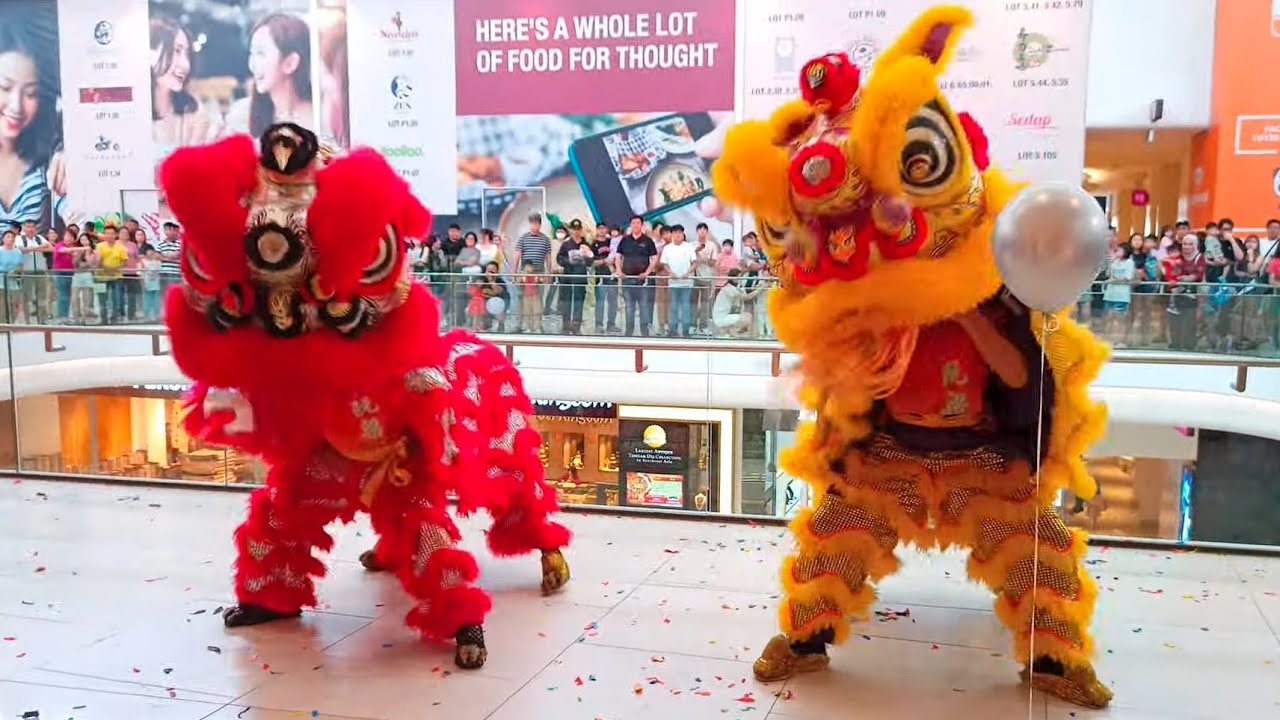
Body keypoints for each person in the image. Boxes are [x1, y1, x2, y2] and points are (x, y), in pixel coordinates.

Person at [0, 20, 63, 231]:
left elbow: (73, 210)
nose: (16, 106)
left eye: (30, 93)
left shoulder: (47, 152)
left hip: (32, 262)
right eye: (5, 87)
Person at [226, 13, 313, 139]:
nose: (252, 65)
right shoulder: (242, 115)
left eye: (261, 53)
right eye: (252, 53)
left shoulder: (320, 118)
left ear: (290, 63)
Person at [151, 14, 216, 151]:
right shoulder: (131, 110)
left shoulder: (193, 109)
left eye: (187, 54)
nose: (185, 65)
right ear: (150, 53)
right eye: (177, 51)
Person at [613, 214, 657, 337]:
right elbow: (618, 256)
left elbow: (654, 258)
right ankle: (629, 331)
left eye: (638, 223)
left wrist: (647, 273)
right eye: (633, 223)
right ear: (630, 225)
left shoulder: (648, 241)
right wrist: (619, 271)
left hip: (642, 280)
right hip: (627, 279)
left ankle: (644, 331)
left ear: (641, 225)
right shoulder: (625, 240)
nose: (635, 225)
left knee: (644, 307)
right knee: (629, 307)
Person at [1165, 232, 1204, 350]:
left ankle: (1188, 346)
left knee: (1189, 320)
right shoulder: (1177, 257)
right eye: (1185, 244)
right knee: (1174, 319)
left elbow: (1198, 274)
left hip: (1192, 294)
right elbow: (1172, 272)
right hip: (1176, 292)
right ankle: (1175, 344)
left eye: (1190, 244)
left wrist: (1187, 278)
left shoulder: (1199, 257)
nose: (1186, 246)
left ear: (1195, 245)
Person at [661, 224, 697, 337]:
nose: (677, 235)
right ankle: (673, 330)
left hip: (686, 283)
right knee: (673, 306)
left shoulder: (689, 246)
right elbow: (664, 264)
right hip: (673, 283)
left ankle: (686, 331)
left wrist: (688, 272)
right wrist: (670, 272)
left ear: (683, 234)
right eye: (675, 232)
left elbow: (695, 263)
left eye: (680, 233)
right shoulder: (667, 248)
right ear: (672, 234)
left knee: (686, 306)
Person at [556, 219, 590, 334]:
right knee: (566, 302)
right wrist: (569, 260)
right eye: (574, 229)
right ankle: (565, 326)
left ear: (581, 230)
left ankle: (576, 326)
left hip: (580, 277)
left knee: (578, 302)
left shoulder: (586, 244)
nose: (576, 232)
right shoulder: (566, 244)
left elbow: (591, 260)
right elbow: (559, 259)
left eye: (578, 229)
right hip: (568, 277)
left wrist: (585, 257)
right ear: (570, 230)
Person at [711, 269, 763, 336]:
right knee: (746, 319)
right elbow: (746, 297)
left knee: (748, 315)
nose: (739, 279)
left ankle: (730, 332)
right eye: (738, 277)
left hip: (728, 315)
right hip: (721, 317)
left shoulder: (736, 287)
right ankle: (730, 332)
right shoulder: (728, 288)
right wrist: (760, 289)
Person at [95, 223, 129, 324]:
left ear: (116, 235)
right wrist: (106, 268)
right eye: (107, 233)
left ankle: (114, 318)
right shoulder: (99, 246)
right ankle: (103, 319)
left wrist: (114, 269)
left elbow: (124, 261)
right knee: (102, 300)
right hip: (101, 277)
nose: (109, 236)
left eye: (111, 233)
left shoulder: (120, 247)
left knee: (116, 299)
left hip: (116, 277)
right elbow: (98, 260)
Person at [1103, 243, 1135, 346]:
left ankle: (1120, 340)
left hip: (1121, 295)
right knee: (1108, 317)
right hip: (1110, 294)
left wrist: (1114, 280)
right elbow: (1108, 274)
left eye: (1119, 250)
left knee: (1120, 318)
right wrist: (1110, 262)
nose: (1117, 252)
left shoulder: (1129, 262)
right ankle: (1109, 340)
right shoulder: (1115, 262)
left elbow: (1127, 277)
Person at [590, 222, 617, 333]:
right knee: (600, 302)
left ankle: (611, 324)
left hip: (612, 276)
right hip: (600, 277)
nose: (601, 230)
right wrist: (604, 261)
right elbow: (591, 262)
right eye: (599, 228)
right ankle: (599, 324)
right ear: (596, 230)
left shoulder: (612, 242)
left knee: (613, 302)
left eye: (603, 228)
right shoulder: (593, 244)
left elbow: (618, 257)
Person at [52, 226, 84, 320]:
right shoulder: (59, 245)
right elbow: (63, 250)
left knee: (68, 295)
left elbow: (75, 262)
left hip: (71, 273)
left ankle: (66, 315)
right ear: (63, 236)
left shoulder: (74, 248)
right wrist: (82, 249)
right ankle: (62, 316)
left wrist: (79, 254)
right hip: (60, 273)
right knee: (63, 295)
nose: (69, 238)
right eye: (67, 236)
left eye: (71, 236)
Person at [692, 222, 718, 334]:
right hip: (694, 277)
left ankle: (704, 326)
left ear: (707, 232)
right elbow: (688, 261)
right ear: (697, 231)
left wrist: (703, 258)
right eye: (700, 229)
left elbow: (713, 262)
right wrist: (695, 252)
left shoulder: (712, 245)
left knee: (705, 303)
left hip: (707, 277)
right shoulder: (692, 245)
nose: (702, 231)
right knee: (693, 302)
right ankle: (692, 325)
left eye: (704, 229)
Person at [69, 232, 96, 322]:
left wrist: (87, 252)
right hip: (77, 275)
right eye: (82, 239)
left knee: (86, 298)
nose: (84, 241)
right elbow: (75, 264)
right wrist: (81, 252)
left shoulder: (93, 251)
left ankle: (84, 319)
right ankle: (76, 318)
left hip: (87, 275)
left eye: (85, 239)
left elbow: (90, 264)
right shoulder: (77, 250)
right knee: (74, 298)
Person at [0, 228, 24, 321]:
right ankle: (2, 324)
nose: (10, 239)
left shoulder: (17, 252)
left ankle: (12, 323)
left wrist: (15, 271)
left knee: (15, 303)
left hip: (14, 282)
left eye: (12, 237)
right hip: (1, 282)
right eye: (8, 237)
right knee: (2, 304)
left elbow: (20, 266)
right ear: (3, 239)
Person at [480, 261, 508, 331]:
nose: (490, 272)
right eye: (488, 270)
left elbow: (497, 291)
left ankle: (501, 328)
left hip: (498, 305)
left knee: (499, 313)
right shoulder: (481, 281)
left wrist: (491, 281)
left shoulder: (500, 281)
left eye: (493, 270)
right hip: (485, 305)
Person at [155, 221, 182, 290]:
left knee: (174, 293)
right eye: (166, 229)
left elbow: (176, 254)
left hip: (175, 273)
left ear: (174, 230)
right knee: (164, 294)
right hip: (163, 273)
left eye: (170, 229)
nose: (167, 232)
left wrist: (163, 255)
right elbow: (157, 256)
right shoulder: (160, 243)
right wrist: (168, 257)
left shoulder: (180, 243)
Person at [517, 260, 542, 333]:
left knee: (536, 312)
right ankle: (527, 327)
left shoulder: (535, 276)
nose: (528, 269)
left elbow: (541, 281)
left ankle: (536, 327)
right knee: (526, 312)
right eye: (526, 267)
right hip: (526, 297)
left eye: (530, 267)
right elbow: (519, 283)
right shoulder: (523, 277)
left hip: (535, 296)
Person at [140, 243, 163, 321]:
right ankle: (146, 315)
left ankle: (156, 315)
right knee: (147, 300)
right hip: (147, 285)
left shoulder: (157, 262)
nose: (150, 252)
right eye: (148, 250)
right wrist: (143, 285)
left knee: (156, 301)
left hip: (156, 285)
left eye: (151, 250)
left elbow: (160, 272)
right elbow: (141, 275)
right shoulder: (142, 262)